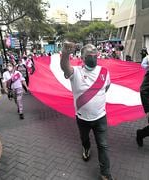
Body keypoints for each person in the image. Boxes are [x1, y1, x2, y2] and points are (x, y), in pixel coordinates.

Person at [60, 42, 113, 180]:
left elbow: (105, 88)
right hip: (82, 118)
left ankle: (105, 174)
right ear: (82, 58)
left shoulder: (104, 72)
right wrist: (65, 53)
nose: (93, 58)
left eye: (95, 55)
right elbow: (65, 67)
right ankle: (86, 147)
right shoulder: (75, 72)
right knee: (84, 138)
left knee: (103, 145)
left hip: (100, 117)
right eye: (89, 56)